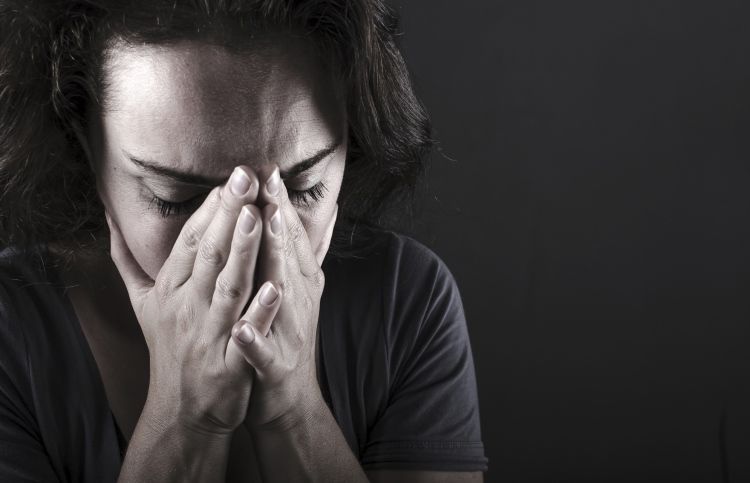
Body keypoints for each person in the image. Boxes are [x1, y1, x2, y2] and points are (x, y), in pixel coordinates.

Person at [0, 0, 487, 481]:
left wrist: (294, 414)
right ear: (85, 144)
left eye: (303, 188)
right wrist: (186, 419)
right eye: (176, 198)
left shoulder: (407, 300)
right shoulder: (12, 330)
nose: (241, 243)